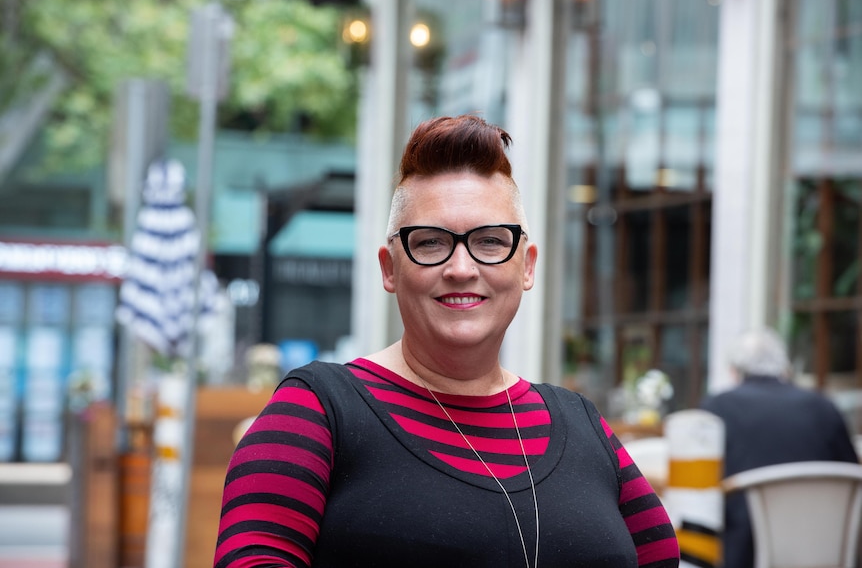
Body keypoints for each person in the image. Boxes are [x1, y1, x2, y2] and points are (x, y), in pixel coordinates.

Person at [213, 115, 680, 568]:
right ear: (390, 268)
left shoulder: (581, 424)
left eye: (492, 241)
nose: (461, 268)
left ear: (528, 266)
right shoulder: (318, 409)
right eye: (432, 242)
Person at [701, 326, 858, 568]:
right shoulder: (823, 407)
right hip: (824, 549)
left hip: (742, 552)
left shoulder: (717, 408)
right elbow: (852, 477)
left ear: (734, 371)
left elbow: (701, 489)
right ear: (785, 368)